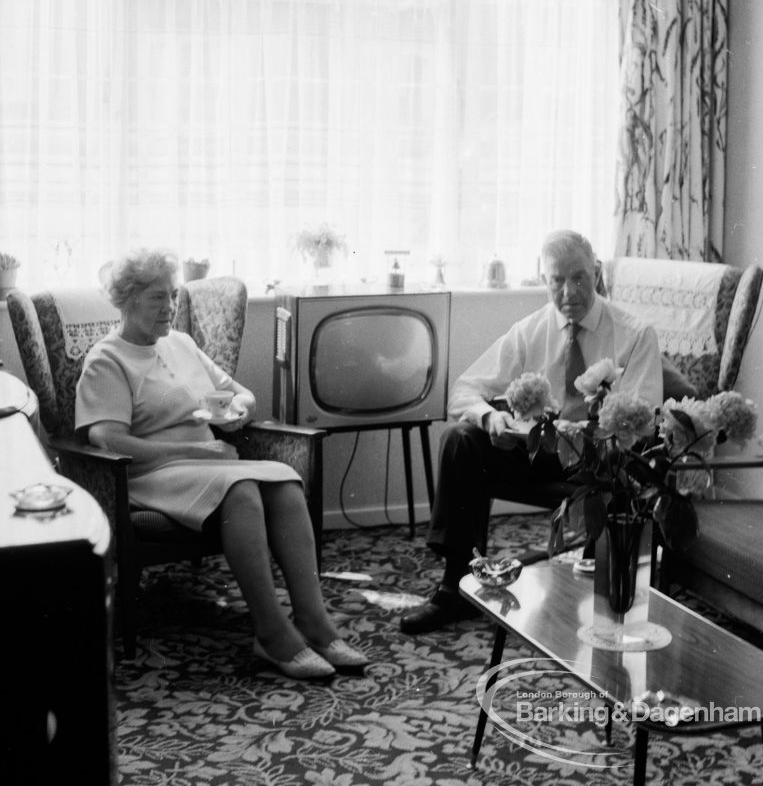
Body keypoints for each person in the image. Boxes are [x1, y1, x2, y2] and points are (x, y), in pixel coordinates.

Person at [75, 248, 367, 679]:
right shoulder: (108, 359)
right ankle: (271, 633)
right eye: (157, 298)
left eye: (172, 295)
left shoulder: (181, 343)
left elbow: (237, 392)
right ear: (127, 299)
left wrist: (240, 411)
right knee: (242, 490)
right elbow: (107, 439)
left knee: (285, 482)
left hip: (209, 463)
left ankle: (313, 621)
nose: (171, 307)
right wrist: (196, 451)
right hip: (149, 475)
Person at [400, 229, 663, 635]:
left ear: (596, 272)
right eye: (557, 280)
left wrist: (594, 433)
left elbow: (644, 420)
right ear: (545, 280)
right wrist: (491, 418)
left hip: (598, 464)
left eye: (579, 277)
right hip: (538, 455)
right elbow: (464, 392)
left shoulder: (634, 333)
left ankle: (602, 588)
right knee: (460, 439)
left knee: (624, 460)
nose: (569, 291)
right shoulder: (529, 331)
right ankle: (455, 587)